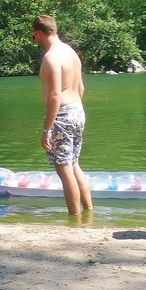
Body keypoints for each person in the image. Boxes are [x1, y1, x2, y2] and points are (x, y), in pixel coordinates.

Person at [31, 15, 93, 216]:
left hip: (62, 115)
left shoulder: (51, 57)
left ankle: (75, 219)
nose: (35, 41)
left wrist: (47, 130)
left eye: (33, 37)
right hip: (78, 110)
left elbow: (55, 95)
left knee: (64, 169)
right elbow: (81, 88)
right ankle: (89, 212)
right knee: (74, 165)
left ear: (39, 33)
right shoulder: (71, 53)